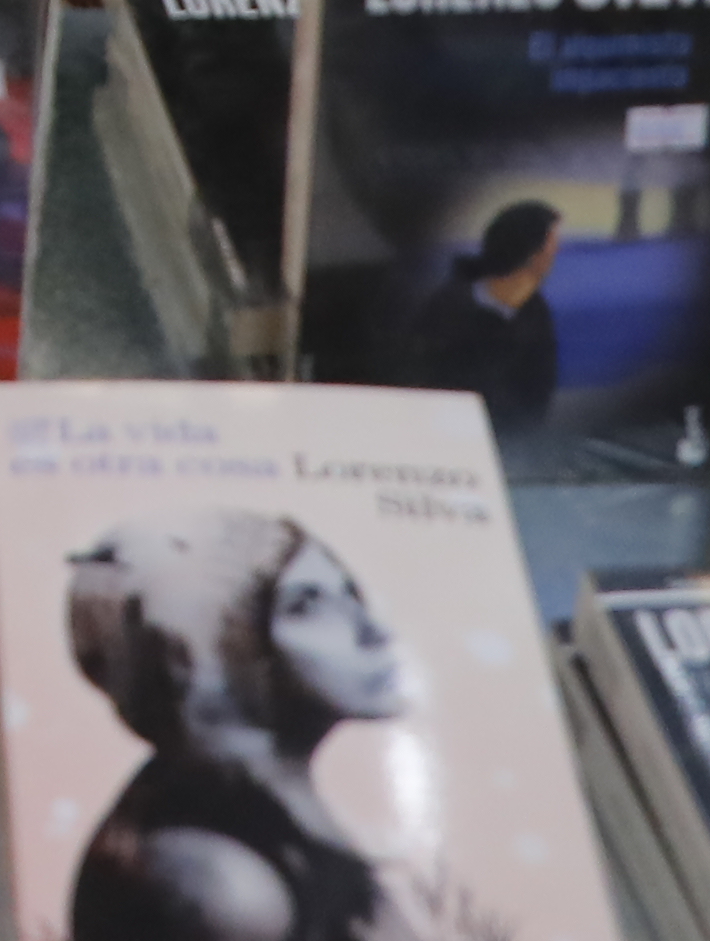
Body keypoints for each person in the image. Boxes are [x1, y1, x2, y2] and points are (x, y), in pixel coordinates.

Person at [60, 510, 425, 941]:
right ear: (218, 651)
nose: (372, 631)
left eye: (350, 594)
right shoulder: (217, 880)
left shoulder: (269, 814)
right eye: (307, 606)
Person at [390, 199, 565, 432]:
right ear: (532, 252)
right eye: (552, 243)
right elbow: (419, 377)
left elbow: (537, 394)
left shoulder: (536, 315)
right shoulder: (449, 306)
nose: (556, 252)